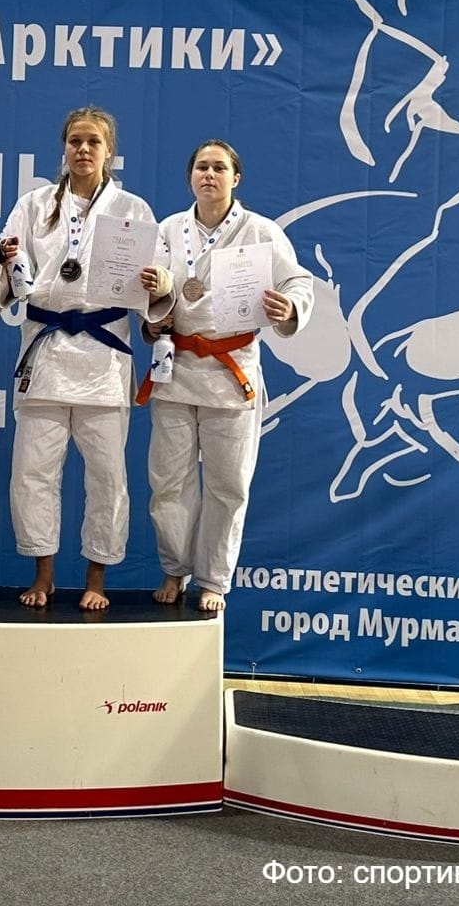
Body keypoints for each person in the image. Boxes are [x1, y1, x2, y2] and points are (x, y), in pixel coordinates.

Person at [0, 106, 170, 610]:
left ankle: (96, 578)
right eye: (75, 141)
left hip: (104, 353)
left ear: (109, 151)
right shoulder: (33, 205)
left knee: (107, 476)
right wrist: (2, 267)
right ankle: (44, 575)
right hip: (46, 349)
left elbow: (157, 287)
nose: (83, 150)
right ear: (64, 148)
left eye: (93, 142)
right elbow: (10, 270)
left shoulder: (133, 210)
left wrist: (158, 285)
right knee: (33, 472)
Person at [140, 140, 315, 612]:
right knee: (168, 482)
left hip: (231, 371)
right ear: (190, 176)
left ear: (235, 178)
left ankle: (214, 578)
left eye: (219, 167)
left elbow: (299, 281)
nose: (209, 174)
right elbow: (150, 290)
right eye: (201, 167)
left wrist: (290, 306)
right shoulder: (169, 229)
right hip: (176, 368)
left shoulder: (261, 231)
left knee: (228, 484)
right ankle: (174, 569)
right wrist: (152, 314)